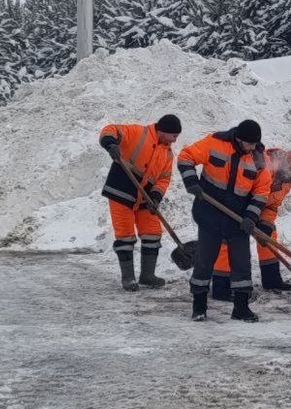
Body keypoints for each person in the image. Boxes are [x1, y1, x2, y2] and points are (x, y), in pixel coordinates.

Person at [177, 119, 273, 322]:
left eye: (255, 144)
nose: (252, 148)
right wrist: (191, 181)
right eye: (249, 144)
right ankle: (199, 307)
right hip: (209, 214)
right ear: (238, 139)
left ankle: (241, 308)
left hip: (237, 221)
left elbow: (262, 192)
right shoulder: (214, 142)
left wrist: (250, 217)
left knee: (241, 265)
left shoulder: (258, 158)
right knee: (204, 262)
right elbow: (186, 157)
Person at [98, 114, 181, 292]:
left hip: (145, 197)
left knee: (152, 232)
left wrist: (156, 197)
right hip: (121, 189)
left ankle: (147, 276)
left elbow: (163, 179)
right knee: (125, 235)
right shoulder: (138, 133)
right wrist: (111, 144)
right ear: (163, 131)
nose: (175, 140)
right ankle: (128, 278)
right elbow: (110, 130)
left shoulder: (167, 153)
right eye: (174, 136)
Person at [211, 148, 291, 300]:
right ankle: (220, 288)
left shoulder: (286, 183)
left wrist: (265, 223)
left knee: (269, 235)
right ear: (283, 162)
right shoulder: (259, 165)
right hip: (232, 205)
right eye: (290, 172)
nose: (289, 177)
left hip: (255, 210)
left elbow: (271, 206)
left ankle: (271, 280)